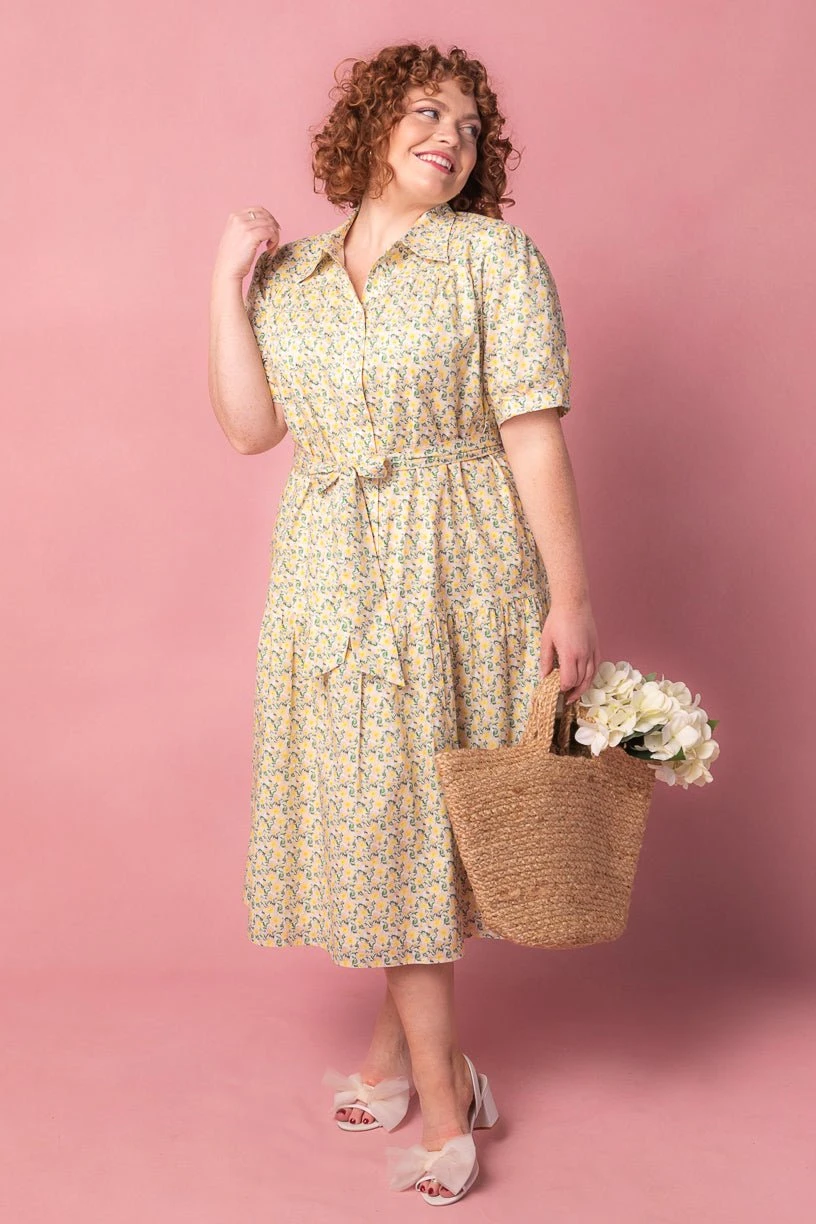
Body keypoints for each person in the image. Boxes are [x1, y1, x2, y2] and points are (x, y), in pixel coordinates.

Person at [208, 41, 600, 1206]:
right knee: (386, 813)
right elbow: (249, 429)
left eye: (471, 126)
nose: (451, 138)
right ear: (373, 125)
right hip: (332, 573)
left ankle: (440, 1101)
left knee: (416, 816)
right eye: (429, 112)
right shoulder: (294, 275)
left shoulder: (493, 257)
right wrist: (222, 285)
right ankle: (418, 1066)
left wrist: (571, 597)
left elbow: (531, 430)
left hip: (460, 566)